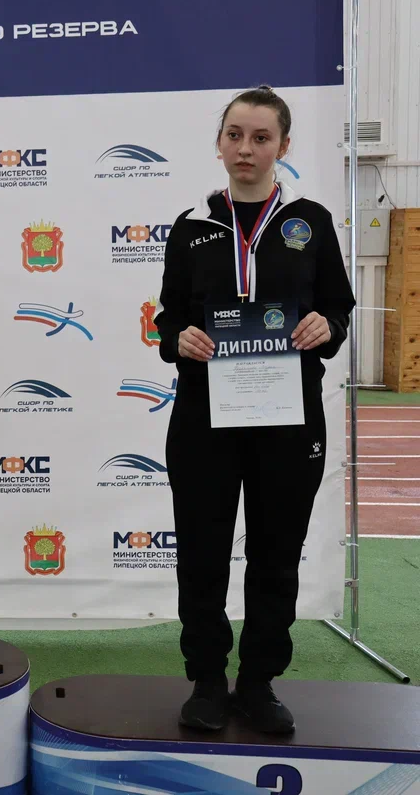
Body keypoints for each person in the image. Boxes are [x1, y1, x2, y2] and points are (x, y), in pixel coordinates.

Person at [155, 86, 355, 733]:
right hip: (205, 419)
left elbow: (339, 307)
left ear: (283, 146)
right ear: (219, 143)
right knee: (202, 553)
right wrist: (179, 338)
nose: (246, 148)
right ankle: (207, 680)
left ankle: (260, 680)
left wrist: (327, 325)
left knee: (276, 553)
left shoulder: (310, 221)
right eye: (235, 135)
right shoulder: (192, 226)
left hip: (288, 419)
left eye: (261, 137)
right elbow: (169, 318)